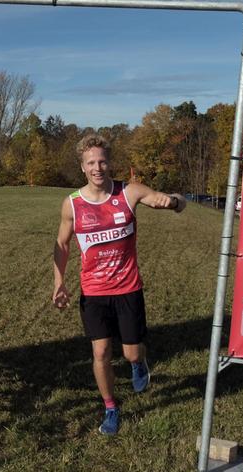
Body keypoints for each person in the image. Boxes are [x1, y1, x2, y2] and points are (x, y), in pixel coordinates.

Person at [52, 134, 186, 435]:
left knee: (131, 354)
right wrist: (59, 281)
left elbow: (159, 199)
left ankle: (139, 364)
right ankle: (110, 407)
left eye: (102, 161)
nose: (97, 167)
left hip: (128, 289)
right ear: (82, 166)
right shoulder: (72, 204)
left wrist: (173, 201)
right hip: (94, 293)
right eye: (91, 163)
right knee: (100, 353)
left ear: (109, 162)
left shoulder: (128, 191)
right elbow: (62, 244)